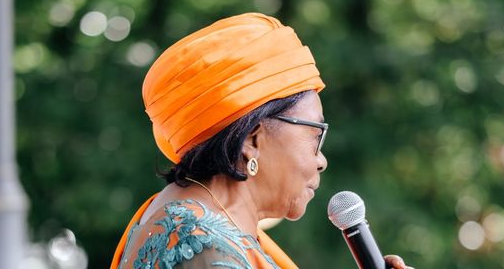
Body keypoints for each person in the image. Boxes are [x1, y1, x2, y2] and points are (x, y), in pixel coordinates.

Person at [111, 13, 410, 269]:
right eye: (315, 135)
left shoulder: (200, 218)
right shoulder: (201, 242)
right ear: (252, 139)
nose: (322, 161)